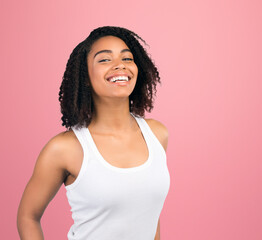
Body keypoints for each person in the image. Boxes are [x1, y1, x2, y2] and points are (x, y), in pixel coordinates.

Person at [17, 26, 170, 240]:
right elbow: (28, 216)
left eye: (127, 58)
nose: (120, 65)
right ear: (85, 76)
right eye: (104, 60)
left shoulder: (157, 134)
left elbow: (147, 213)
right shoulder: (65, 148)